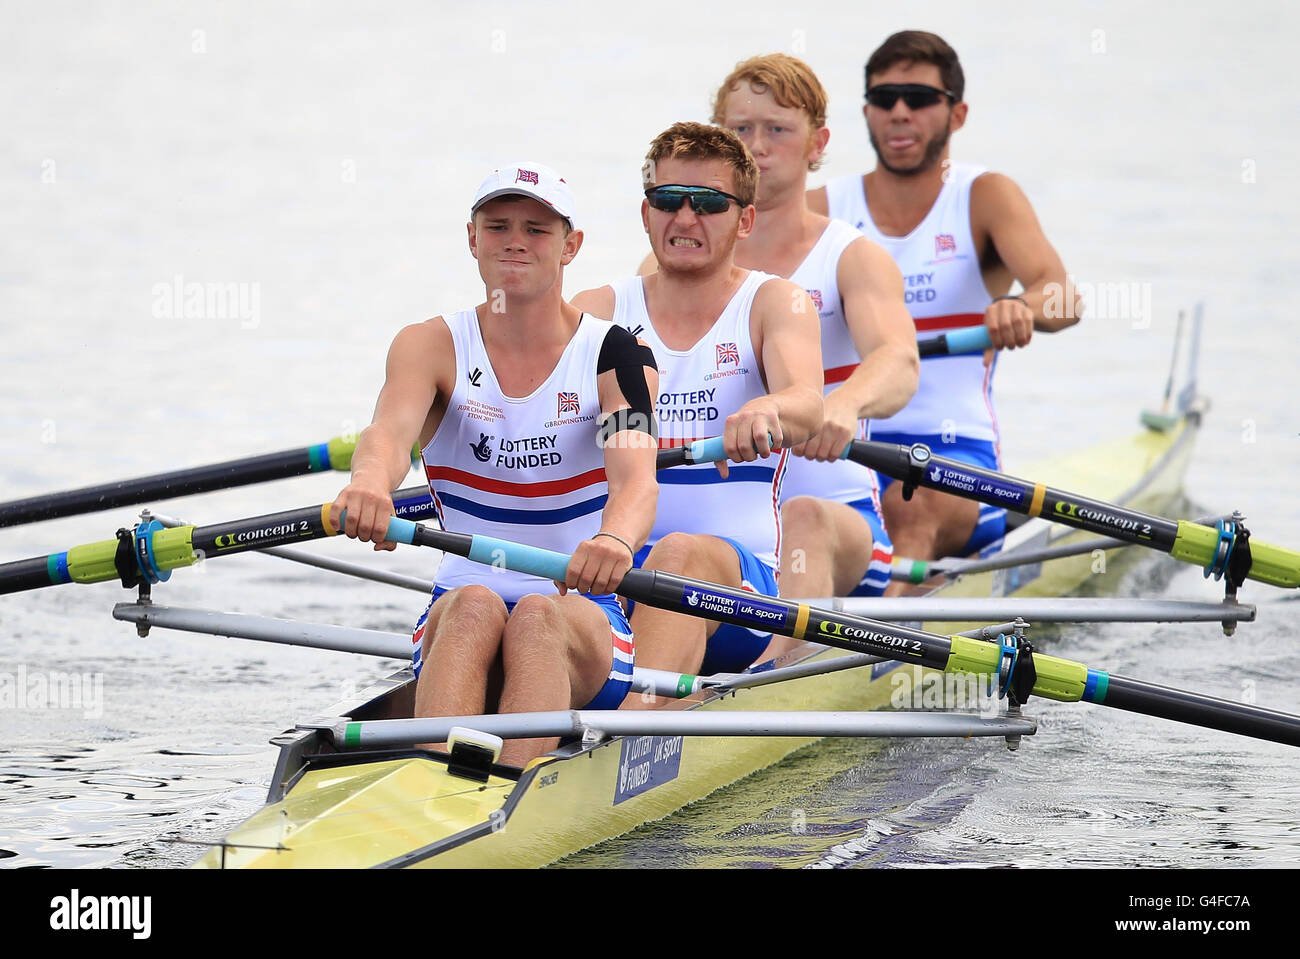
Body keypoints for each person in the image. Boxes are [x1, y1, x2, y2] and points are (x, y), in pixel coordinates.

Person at [331, 163, 659, 765]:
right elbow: (387, 435)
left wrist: (614, 538)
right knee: (474, 601)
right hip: (459, 609)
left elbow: (636, 480)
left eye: (537, 229)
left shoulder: (617, 354)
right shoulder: (429, 345)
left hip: (583, 618)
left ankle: (505, 793)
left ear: (571, 246)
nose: (515, 240)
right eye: (498, 225)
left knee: (537, 613)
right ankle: (433, 786)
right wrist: (370, 483)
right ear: (472, 238)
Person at [808, 31, 1082, 583]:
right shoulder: (822, 209)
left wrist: (1022, 308)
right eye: (885, 100)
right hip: (839, 445)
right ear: (867, 114)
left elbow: (1062, 295)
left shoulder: (984, 196)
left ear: (957, 114)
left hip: (955, 458)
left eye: (919, 98)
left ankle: (874, 655)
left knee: (912, 507)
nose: (900, 113)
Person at [573, 123, 822, 685]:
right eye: (667, 200)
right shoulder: (595, 311)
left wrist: (769, 410)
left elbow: (808, 405)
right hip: (614, 569)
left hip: (740, 597)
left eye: (709, 203)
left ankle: (638, 723)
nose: (685, 219)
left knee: (679, 552)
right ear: (646, 214)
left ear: (745, 219)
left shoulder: (774, 303)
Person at [707, 54, 918, 644]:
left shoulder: (850, 257)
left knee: (801, 516)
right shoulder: (671, 263)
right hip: (725, 538)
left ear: (816, 143)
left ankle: (780, 679)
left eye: (777, 129)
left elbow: (898, 362)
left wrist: (844, 406)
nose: (756, 146)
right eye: (740, 130)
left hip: (838, 523)